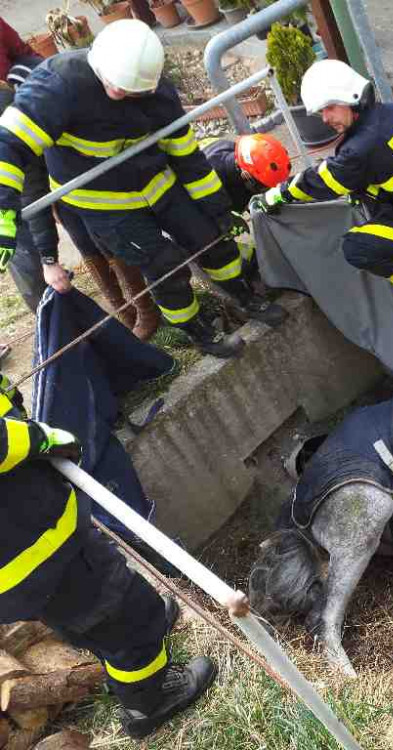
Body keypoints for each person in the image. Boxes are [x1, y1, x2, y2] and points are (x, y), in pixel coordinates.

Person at [0, 20, 286, 359]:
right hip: (104, 203)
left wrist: (219, 209)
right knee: (165, 266)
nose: (118, 94)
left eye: (128, 90)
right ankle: (198, 331)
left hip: (155, 182)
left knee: (212, 238)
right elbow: (7, 146)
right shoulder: (58, 84)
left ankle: (244, 295)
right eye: (114, 86)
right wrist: (5, 215)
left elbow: (188, 159)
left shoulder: (159, 93)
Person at [0, 370, 217, 739]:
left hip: (30, 551)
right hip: (33, 555)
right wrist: (45, 438)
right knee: (128, 616)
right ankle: (149, 701)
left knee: (83, 610)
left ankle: (116, 643)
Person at [252, 60, 393, 285]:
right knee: (363, 191)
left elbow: (320, 182)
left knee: (356, 248)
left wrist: (276, 194)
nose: (324, 118)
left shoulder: (360, 148)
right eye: (322, 112)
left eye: (329, 108)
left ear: (351, 97)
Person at [0, 61, 159, 341]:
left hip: (84, 181)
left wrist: (48, 258)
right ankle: (124, 311)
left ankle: (145, 306)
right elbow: (34, 194)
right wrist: (49, 258)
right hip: (59, 192)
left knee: (109, 243)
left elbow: (34, 189)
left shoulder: (43, 101)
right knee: (87, 247)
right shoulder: (20, 132)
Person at [202, 134, 291, 214]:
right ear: (246, 175)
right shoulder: (211, 183)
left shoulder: (238, 153)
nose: (266, 190)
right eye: (262, 187)